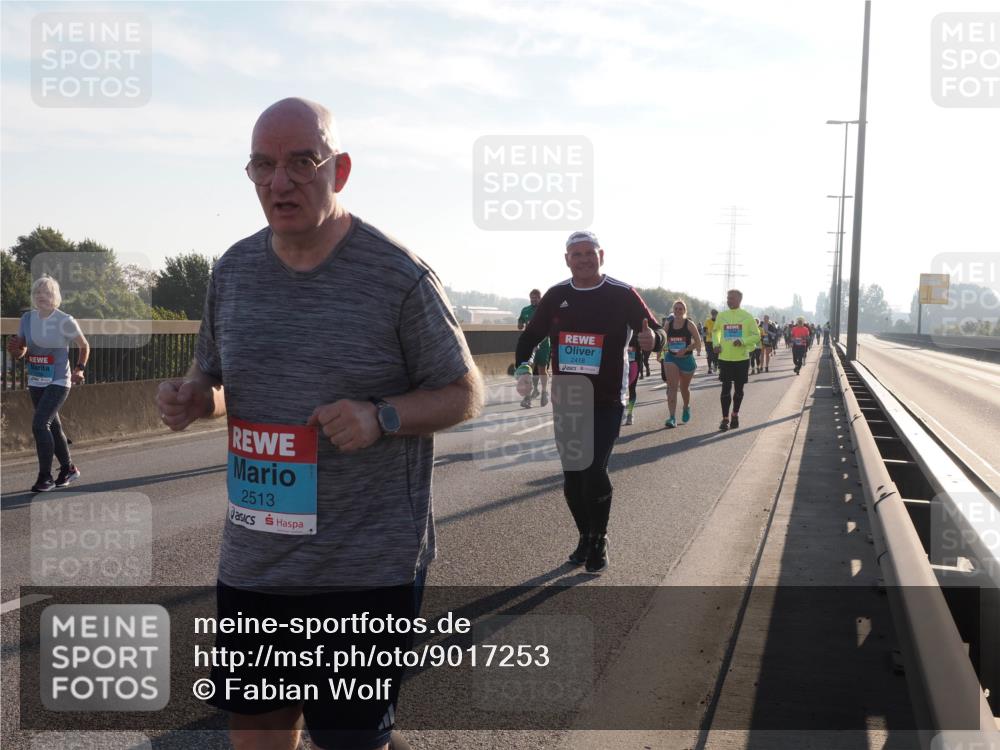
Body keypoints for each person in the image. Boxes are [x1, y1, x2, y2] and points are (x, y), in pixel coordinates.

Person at [155, 97, 482, 750]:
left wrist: (383, 415)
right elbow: (218, 379)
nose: (280, 182)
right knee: (256, 725)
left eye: (303, 161)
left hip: (365, 561)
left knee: (350, 738)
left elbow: (464, 392)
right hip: (257, 557)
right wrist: (197, 398)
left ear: (342, 169)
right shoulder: (234, 272)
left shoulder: (397, 277)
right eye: (263, 165)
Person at [515, 230, 664, 574]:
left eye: (589, 253)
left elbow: (657, 332)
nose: (583, 259)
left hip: (608, 397)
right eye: (576, 254)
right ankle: (585, 535)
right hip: (567, 399)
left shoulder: (621, 294)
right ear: (567, 259)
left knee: (594, 468)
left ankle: (600, 538)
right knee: (573, 477)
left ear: (602, 255)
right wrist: (523, 369)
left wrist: (652, 338)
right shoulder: (556, 296)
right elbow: (530, 338)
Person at [7, 276, 89, 492]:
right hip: (36, 380)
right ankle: (68, 468)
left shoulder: (65, 320)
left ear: (55, 297)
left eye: (47, 292)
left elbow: (84, 345)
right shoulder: (27, 319)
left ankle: (45, 477)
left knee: (40, 424)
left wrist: (79, 369)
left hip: (59, 380)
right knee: (53, 425)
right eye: (38, 293)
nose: (41, 296)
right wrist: (15, 349)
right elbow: (22, 351)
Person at [712, 289, 760, 431]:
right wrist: (716, 344)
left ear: (739, 300)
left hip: (741, 359)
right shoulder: (722, 316)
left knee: (739, 390)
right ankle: (725, 419)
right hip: (725, 358)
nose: (728, 300)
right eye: (728, 298)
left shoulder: (747, 317)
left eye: (731, 298)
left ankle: (735, 415)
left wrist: (743, 340)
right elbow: (716, 332)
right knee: (725, 388)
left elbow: (756, 336)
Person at [660, 299, 701, 428]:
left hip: (687, 360)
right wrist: (659, 350)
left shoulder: (689, 324)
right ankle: (672, 417)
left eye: (680, 309)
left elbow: (698, 343)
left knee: (684, 388)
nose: (678, 311)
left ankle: (686, 406)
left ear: (684, 311)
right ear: (673, 310)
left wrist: (686, 349)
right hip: (671, 358)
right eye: (676, 308)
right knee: (672, 387)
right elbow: (662, 339)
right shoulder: (669, 323)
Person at [517, 289, 550, 408]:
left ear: (540, 298)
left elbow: (549, 330)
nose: (533, 300)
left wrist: (539, 343)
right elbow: (520, 322)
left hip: (544, 344)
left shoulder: (545, 311)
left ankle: (544, 392)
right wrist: (520, 323)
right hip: (529, 345)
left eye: (535, 298)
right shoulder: (526, 310)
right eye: (531, 298)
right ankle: (527, 397)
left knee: (542, 369)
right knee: (528, 370)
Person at [624, 333, 640, 426]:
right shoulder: (620, 331)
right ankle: (620, 412)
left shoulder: (638, 333)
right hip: (620, 363)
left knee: (631, 388)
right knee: (618, 389)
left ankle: (630, 413)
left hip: (634, 363)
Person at [703, 309, 719, 374]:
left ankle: (715, 364)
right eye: (713, 314)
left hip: (717, 341)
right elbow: (705, 330)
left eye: (715, 314)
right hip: (709, 341)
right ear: (712, 314)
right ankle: (709, 368)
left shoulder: (718, 321)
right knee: (709, 355)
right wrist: (709, 333)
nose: (714, 316)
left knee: (716, 354)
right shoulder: (707, 321)